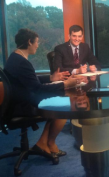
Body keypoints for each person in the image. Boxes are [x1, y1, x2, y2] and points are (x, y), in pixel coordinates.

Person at [4, 28, 79, 157]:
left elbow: (30, 80)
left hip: (15, 102)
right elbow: (37, 88)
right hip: (21, 107)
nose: (38, 45)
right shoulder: (22, 62)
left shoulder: (14, 57)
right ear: (29, 42)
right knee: (65, 106)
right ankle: (49, 143)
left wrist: (51, 78)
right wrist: (65, 84)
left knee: (57, 101)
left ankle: (43, 144)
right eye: (37, 42)